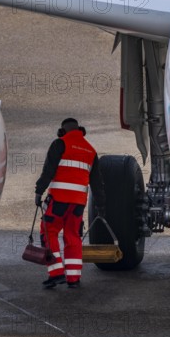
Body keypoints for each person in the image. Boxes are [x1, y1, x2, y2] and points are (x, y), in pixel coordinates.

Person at [34, 118, 106, 289]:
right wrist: (101, 207)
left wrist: (39, 191)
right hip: (78, 205)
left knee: (48, 231)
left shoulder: (60, 144)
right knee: (73, 236)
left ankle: (56, 273)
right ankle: (74, 278)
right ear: (79, 130)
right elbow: (97, 184)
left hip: (59, 200)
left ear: (62, 131)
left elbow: (48, 171)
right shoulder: (91, 151)